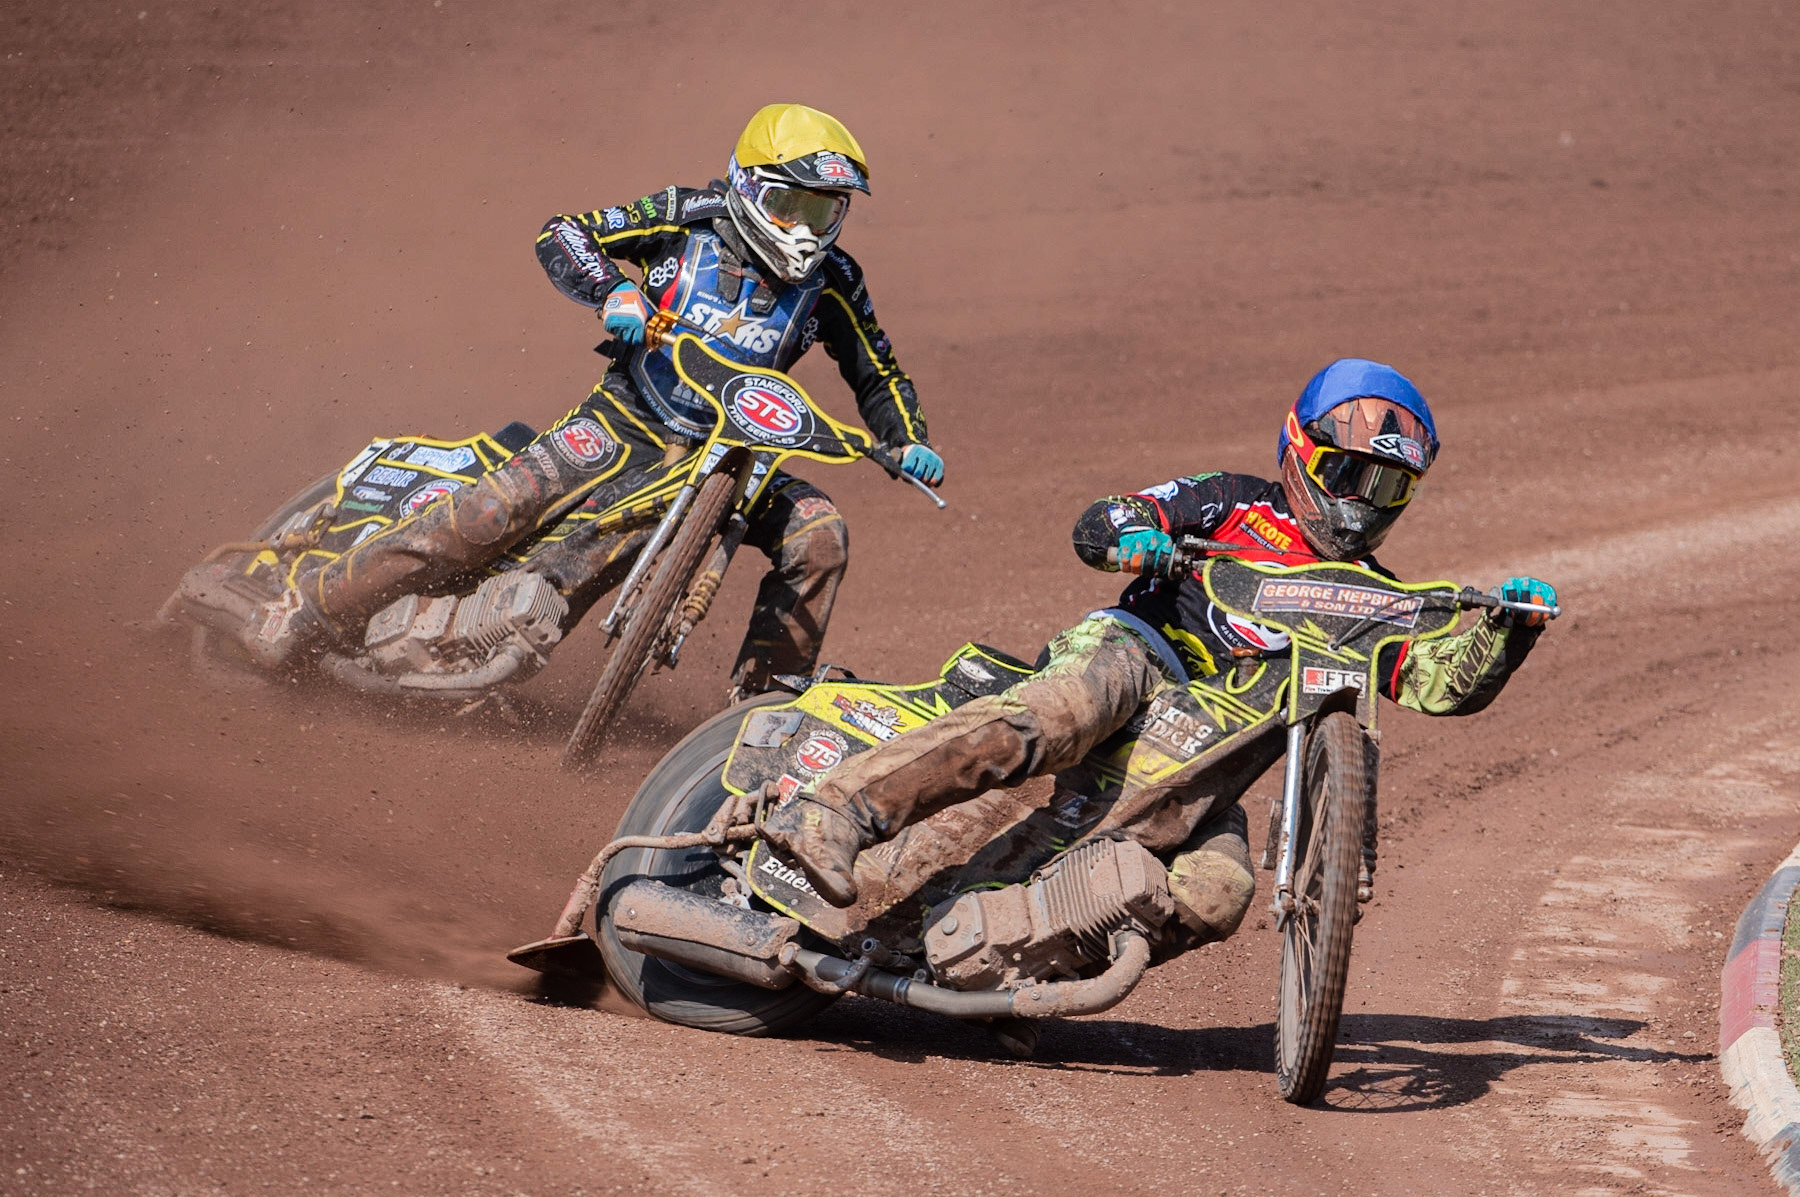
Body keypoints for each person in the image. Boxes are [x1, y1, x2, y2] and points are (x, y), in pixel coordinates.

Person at [762, 358, 1555, 956]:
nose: (1360, 500)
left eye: (1387, 487)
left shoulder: (1372, 599)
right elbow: (1110, 516)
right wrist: (1136, 535)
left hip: (1213, 750)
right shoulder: (1233, 500)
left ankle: (1015, 965)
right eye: (1350, 473)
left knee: (1221, 889)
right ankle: (831, 812)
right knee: (1069, 710)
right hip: (1140, 659)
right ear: (1301, 451)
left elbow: (1441, 684)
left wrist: (1508, 631)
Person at [195, 103, 941, 701]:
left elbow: (877, 370)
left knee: (820, 531)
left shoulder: (835, 278)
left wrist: (906, 439)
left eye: (825, 212)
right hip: (624, 421)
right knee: (488, 514)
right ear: (748, 186)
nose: (807, 231)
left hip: (738, 457)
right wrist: (613, 288)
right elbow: (568, 232)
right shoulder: (688, 217)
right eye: (791, 205)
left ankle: (763, 712)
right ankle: (304, 604)